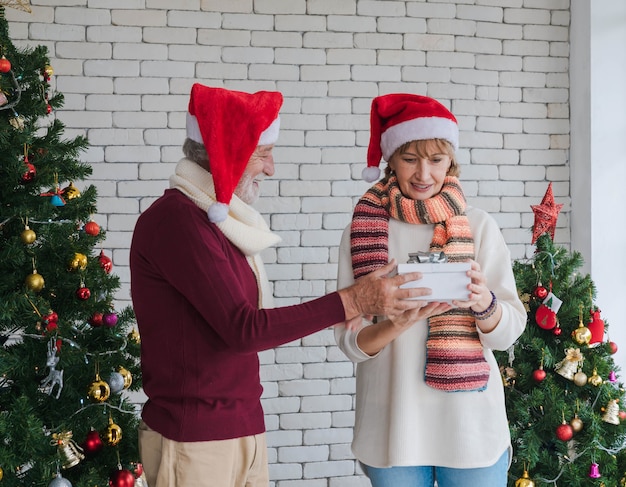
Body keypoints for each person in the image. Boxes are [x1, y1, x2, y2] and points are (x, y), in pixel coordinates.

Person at [129, 84, 431, 487]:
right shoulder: (179, 222)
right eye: (264, 154)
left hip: (238, 430)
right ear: (229, 151)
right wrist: (352, 300)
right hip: (196, 440)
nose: (271, 168)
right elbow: (243, 329)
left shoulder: (217, 222)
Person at [335, 93, 527, 487]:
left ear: (450, 162)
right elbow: (350, 343)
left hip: (471, 431)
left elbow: (509, 332)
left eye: (436, 160)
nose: (424, 173)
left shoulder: (479, 226)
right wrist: (398, 322)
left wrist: (483, 301)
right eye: (410, 159)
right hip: (393, 431)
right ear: (391, 160)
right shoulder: (365, 231)